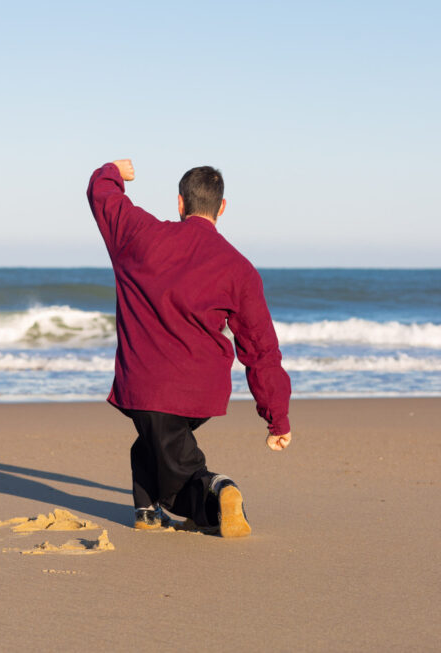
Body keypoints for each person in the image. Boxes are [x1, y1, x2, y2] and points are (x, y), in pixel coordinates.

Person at [87, 159, 292, 538]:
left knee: (180, 475)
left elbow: (103, 196)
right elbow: (261, 349)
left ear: (180, 203)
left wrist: (112, 170)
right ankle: (146, 512)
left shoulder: (140, 234)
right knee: (149, 446)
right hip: (202, 392)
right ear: (222, 207)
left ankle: (217, 492)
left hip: (147, 386)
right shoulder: (239, 268)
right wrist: (276, 415)